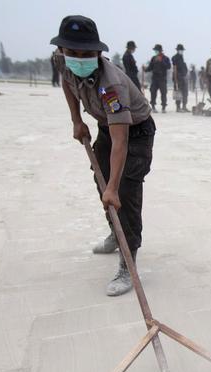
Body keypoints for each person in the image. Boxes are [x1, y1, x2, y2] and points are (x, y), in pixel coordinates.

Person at [50, 15, 155, 296]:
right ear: (62, 51)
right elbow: (67, 83)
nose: (78, 58)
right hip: (106, 126)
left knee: (124, 193)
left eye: (86, 54)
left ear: (98, 52)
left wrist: (113, 188)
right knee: (102, 182)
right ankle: (115, 232)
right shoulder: (62, 61)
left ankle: (128, 262)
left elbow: (121, 142)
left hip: (135, 133)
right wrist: (76, 120)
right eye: (72, 52)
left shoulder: (112, 86)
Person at [146, 44, 171, 112]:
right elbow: (150, 67)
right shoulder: (153, 58)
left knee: (163, 93)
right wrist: (145, 69)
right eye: (155, 50)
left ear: (160, 51)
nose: (156, 51)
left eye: (157, 50)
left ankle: (163, 107)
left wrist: (161, 61)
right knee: (153, 92)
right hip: (154, 78)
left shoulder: (166, 58)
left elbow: (168, 67)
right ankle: (153, 106)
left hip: (162, 78)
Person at [172, 43, 189, 112]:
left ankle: (184, 106)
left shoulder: (181, 57)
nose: (181, 51)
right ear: (177, 50)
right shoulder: (175, 57)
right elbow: (175, 68)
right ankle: (178, 107)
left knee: (185, 92)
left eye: (182, 50)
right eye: (180, 50)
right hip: (177, 78)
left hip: (183, 77)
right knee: (178, 92)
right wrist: (176, 79)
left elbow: (183, 68)